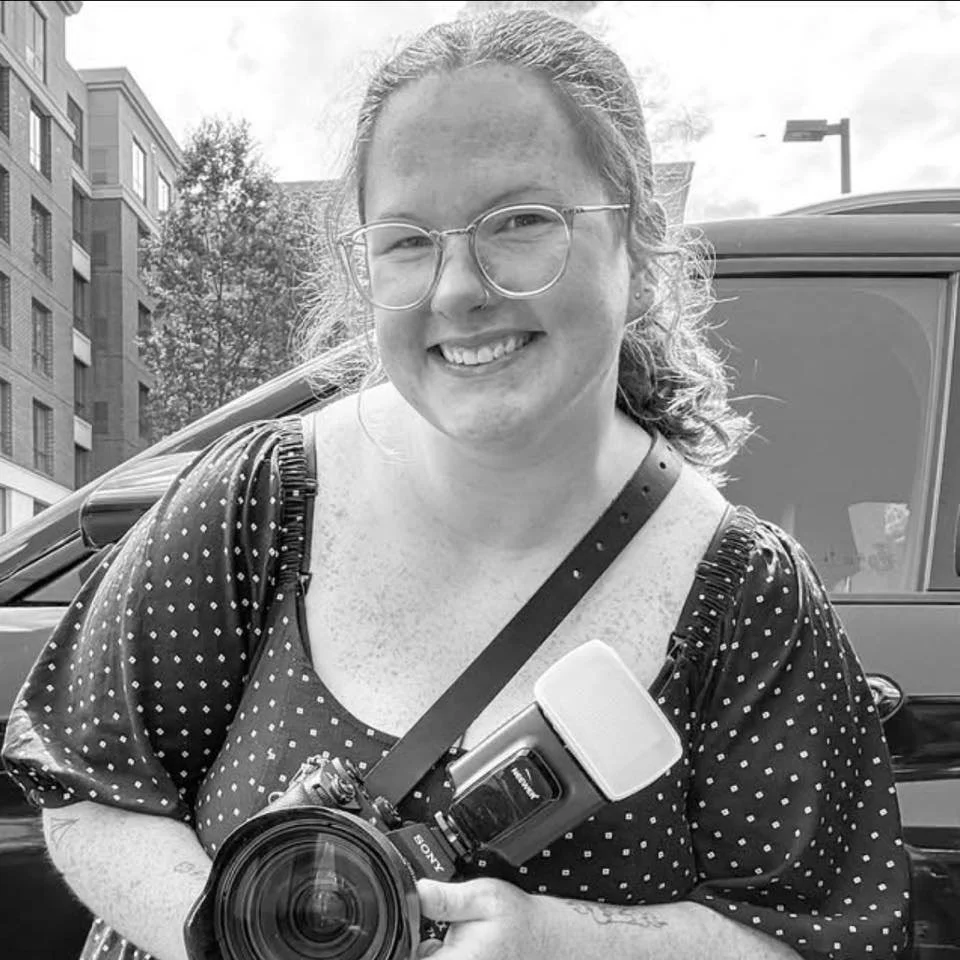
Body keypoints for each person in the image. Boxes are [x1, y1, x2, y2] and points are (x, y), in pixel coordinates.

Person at [2, 8, 910, 960]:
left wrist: (555, 942)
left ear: (639, 243)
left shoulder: (742, 597)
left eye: (520, 221)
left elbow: (820, 942)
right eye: (404, 240)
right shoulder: (263, 501)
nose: (456, 289)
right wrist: (230, 937)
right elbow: (91, 787)